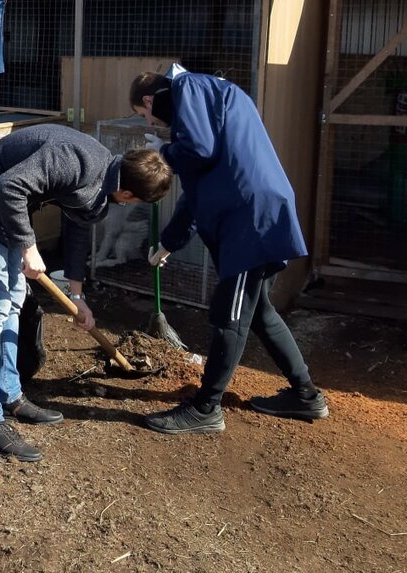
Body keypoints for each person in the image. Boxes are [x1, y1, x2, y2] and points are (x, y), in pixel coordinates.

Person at [131, 65, 329, 435]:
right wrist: (169, 243)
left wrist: (164, 154)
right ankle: (305, 395)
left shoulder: (187, 87)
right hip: (256, 212)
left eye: (147, 117)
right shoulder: (209, 102)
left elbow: (198, 151)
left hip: (248, 219)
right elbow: (196, 190)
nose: (155, 125)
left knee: (230, 314)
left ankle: (206, 408)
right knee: (259, 312)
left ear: (148, 100)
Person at [0, 124, 172, 461]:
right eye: (135, 202)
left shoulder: (103, 179)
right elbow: (8, 185)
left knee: (13, 303)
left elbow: (78, 227)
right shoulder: (78, 161)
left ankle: (9, 394)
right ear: (129, 195)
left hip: (9, 213)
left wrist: (77, 296)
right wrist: (29, 247)